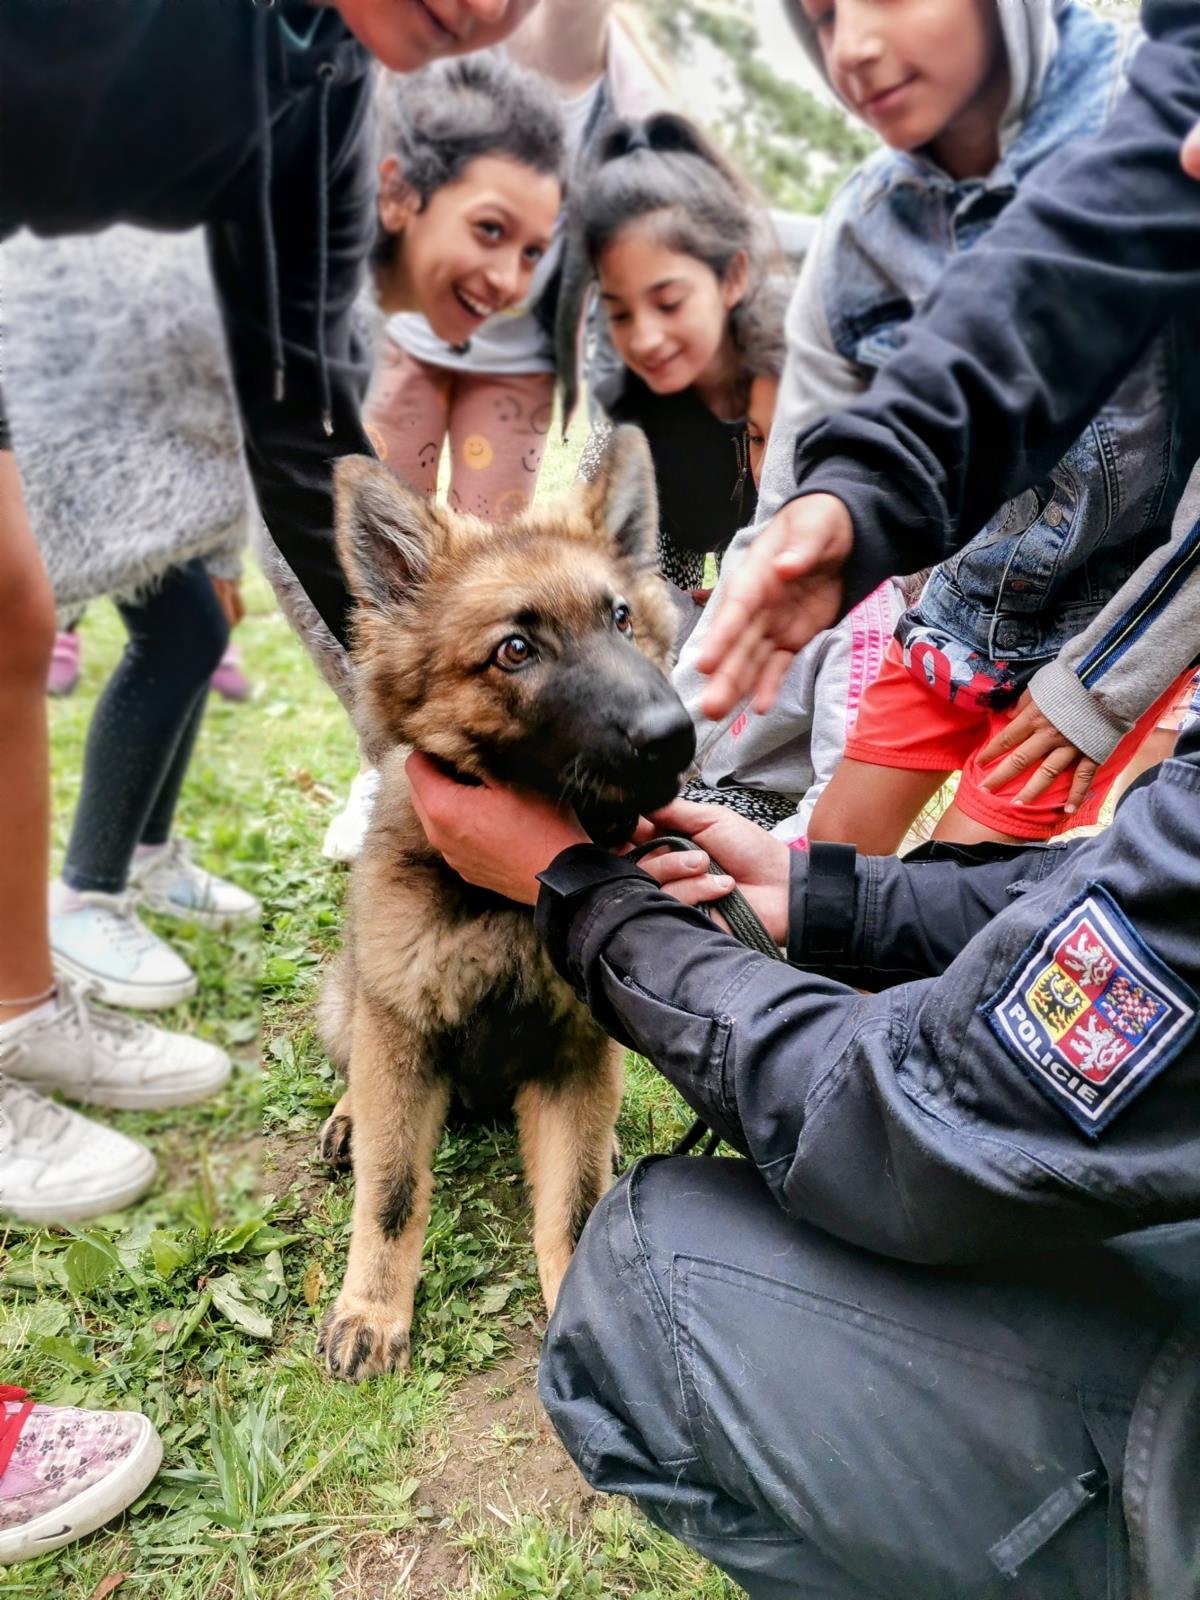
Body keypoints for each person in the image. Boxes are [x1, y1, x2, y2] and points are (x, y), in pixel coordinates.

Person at [402, 17, 1200, 1594]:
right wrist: (823, 900)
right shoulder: (902, 234)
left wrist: (589, 904)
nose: (1181, 164)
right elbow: (1131, 919)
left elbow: (924, 1117)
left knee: (645, 1281)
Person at [0, 0, 538, 1229]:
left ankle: (19, 1012)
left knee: (14, 620)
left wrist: (417, 705)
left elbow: (299, 420)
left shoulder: (328, 76)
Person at [682, 0, 1200, 857]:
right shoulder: (868, 228)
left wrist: (1101, 690)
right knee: (834, 862)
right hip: (957, 623)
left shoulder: (1149, 141)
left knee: (954, 902)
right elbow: (785, 524)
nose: (853, 49)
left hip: (1095, 651)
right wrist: (844, 513)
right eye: (820, 19)